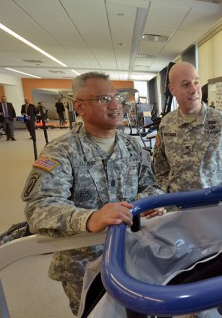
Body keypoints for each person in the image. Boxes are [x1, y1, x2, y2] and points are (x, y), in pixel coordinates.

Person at [22, 72, 165, 315]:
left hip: (132, 255)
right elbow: (39, 207)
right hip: (84, 265)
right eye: (103, 99)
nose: (115, 105)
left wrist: (151, 203)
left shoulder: (132, 146)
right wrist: (89, 219)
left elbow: (150, 185)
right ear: (79, 107)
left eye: (117, 97)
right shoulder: (61, 151)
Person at [153, 62, 222, 204]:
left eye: (196, 82)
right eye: (185, 84)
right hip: (175, 212)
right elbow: (159, 170)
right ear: (172, 90)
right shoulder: (166, 124)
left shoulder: (220, 122)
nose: (194, 90)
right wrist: (164, 203)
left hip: (212, 212)